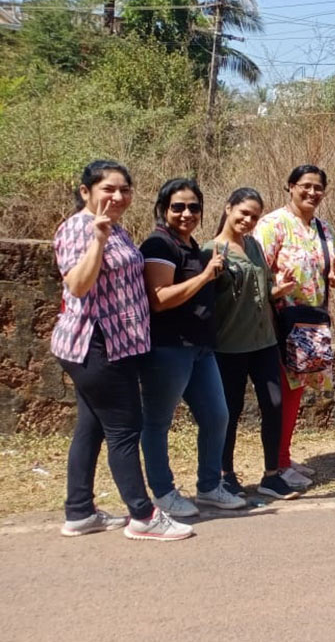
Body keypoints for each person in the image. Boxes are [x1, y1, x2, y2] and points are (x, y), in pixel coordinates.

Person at [52, 160, 192, 541]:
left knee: (92, 426)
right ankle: (143, 515)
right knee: (125, 429)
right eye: (108, 189)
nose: (117, 196)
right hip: (96, 344)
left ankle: (79, 511)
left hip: (117, 344)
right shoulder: (79, 229)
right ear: (86, 192)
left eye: (124, 190)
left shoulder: (118, 230)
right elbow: (78, 286)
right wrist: (97, 239)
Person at [138, 179, 246, 516]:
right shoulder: (159, 244)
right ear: (164, 208)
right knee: (157, 422)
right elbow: (158, 299)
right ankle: (164, 491)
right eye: (178, 206)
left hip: (200, 348)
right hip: (169, 348)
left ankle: (209, 487)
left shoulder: (189, 244)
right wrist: (204, 277)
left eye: (193, 207)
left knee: (217, 416)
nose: (187, 213)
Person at [254, 164, 335, 490]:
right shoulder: (272, 225)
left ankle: (284, 456)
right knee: (282, 393)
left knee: (296, 392)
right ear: (290, 186)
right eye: (305, 186)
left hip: (311, 326)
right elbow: (256, 275)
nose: (311, 193)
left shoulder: (324, 229)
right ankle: (276, 464)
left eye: (318, 187)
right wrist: (274, 290)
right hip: (279, 323)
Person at [205, 187, 299, 501]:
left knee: (274, 405)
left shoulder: (255, 247)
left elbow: (261, 292)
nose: (247, 220)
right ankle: (225, 474)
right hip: (229, 346)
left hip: (263, 342)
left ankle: (271, 476)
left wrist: (280, 289)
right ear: (228, 208)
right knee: (228, 413)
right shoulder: (212, 251)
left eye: (254, 216)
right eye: (243, 212)